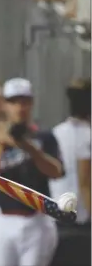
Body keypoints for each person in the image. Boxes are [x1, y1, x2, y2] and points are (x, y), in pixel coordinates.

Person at [0, 78, 63, 266]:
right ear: (5, 105)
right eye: (13, 102)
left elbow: (57, 172)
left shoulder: (43, 137)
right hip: (1, 220)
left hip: (36, 219)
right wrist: (0, 146)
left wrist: (30, 148)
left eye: (24, 102)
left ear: (31, 104)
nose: (19, 107)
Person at [49, 78, 91, 266]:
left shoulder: (56, 132)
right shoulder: (87, 135)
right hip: (79, 221)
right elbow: (86, 183)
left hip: (54, 214)